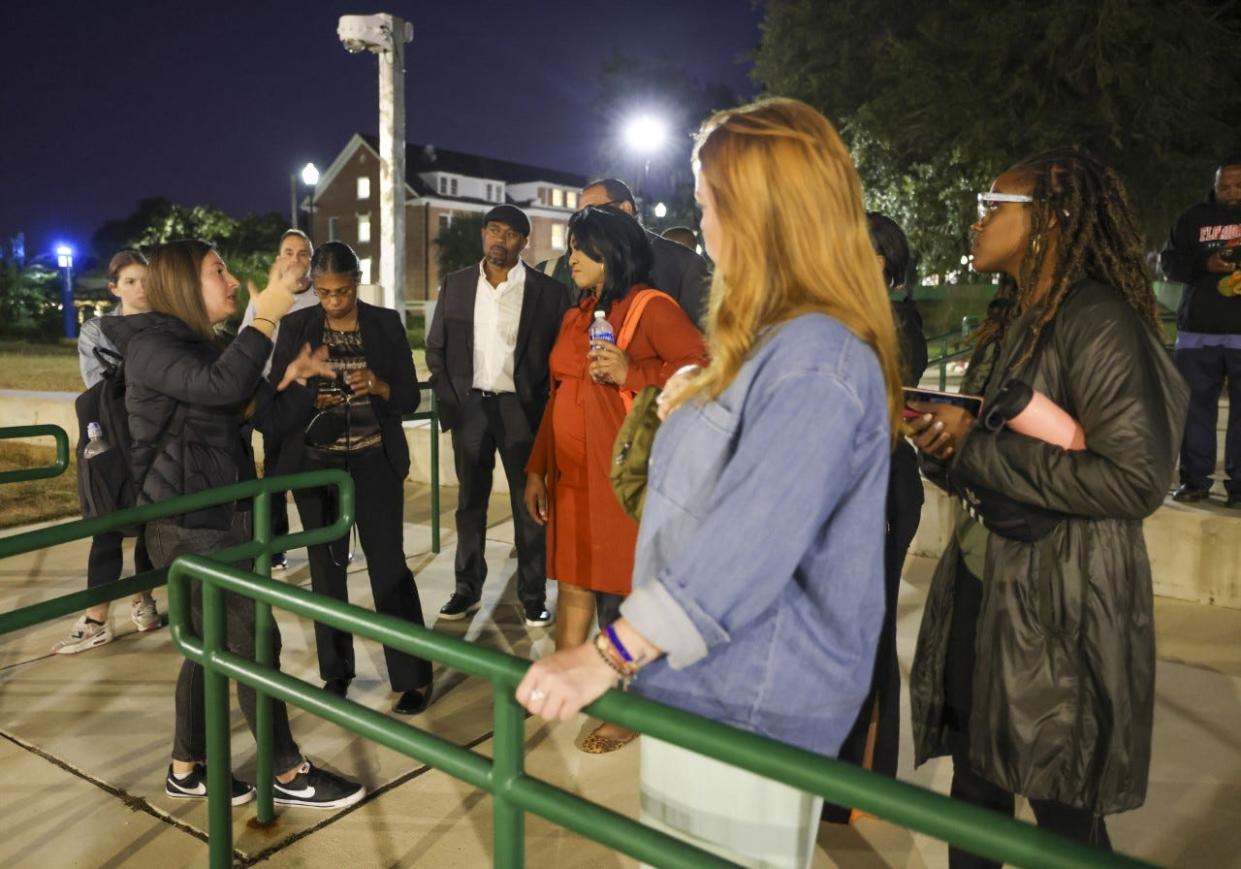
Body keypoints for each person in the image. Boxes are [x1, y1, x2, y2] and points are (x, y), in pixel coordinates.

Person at [517, 98, 901, 867]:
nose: (703, 232)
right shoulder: (769, 350)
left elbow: (749, 541)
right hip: (707, 685)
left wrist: (608, 652)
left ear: (756, 214)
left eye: (706, 207)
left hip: (750, 702)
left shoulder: (818, 359)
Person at [906, 148, 1188, 867]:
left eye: (992, 205)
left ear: (1049, 222)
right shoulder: (1015, 316)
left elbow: (1134, 478)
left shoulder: (1096, 320)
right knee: (974, 788)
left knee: (1061, 807)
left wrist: (975, 446)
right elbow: (987, 456)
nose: (977, 221)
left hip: (1059, 608)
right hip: (986, 585)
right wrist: (941, 442)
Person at [102, 239, 365, 809]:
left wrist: (289, 377)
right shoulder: (150, 345)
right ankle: (286, 771)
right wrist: (269, 310)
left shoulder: (197, 344)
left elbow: (239, 408)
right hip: (190, 519)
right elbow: (219, 388)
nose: (229, 279)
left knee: (207, 646)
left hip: (219, 511)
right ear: (180, 286)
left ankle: (185, 766)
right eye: (217, 271)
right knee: (253, 643)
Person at [523, 204, 706, 754]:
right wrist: (537, 467)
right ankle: (565, 683)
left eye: (581, 248)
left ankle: (631, 709)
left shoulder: (651, 307)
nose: (570, 257)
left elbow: (704, 367)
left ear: (611, 254)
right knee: (574, 581)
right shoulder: (577, 313)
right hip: (572, 477)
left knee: (628, 591)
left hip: (620, 479)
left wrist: (635, 372)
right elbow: (558, 393)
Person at [270, 241, 434, 715]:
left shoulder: (383, 324)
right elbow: (280, 396)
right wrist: (308, 395)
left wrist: (380, 386)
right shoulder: (298, 326)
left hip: (373, 462)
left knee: (389, 567)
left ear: (356, 282)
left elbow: (406, 396)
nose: (333, 301)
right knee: (326, 571)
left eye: (341, 291)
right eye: (323, 293)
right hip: (316, 465)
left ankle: (413, 677)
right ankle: (336, 672)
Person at [822, 213, 928, 822]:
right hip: (825, 489)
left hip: (879, 487)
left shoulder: (894, 322)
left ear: (888, 262)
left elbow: (894, 407)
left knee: (865, 630)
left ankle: (856, 783)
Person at [425, 205, 569, 628]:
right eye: (492, 230)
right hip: (470, 407)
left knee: (530, 506)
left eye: (508, 234)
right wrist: (451, 400)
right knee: (470, 505)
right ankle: (466, 589)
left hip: (522, 410)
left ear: (525, 242)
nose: (498, 240)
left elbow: (557, 359)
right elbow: (436, 349)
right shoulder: (456, 284)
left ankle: (532, 596)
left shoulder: (548, 293)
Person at [53, 250, 160, 654]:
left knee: (150, 522)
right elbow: (102, 389)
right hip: (111, 439)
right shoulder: (98, 330)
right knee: (107, 525)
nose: (140, 288)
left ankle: (143, 598)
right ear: (114, 287)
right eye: (130, 281)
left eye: (145, 279)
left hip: (153, 438)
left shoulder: (164, 324)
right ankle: (97, 617)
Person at [1160, 156, 1241, 506]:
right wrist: (1204, 264)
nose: (1231, 192)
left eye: (1238, 186)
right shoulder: (1193, 218)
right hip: (1197, 334)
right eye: (1225, 186)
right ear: (1215, 185)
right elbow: (1169, 264)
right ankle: (1194, 481)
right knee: (1194, 410)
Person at [240, 229, 320, 567]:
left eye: (303, 253)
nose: (295, 259)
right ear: (278, 258)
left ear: (311, 261)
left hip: (313, 395)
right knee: (274, 476)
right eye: (288, 252)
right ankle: (274, 546)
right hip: (274, 393)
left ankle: (325, 541)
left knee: (315, 475)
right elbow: (249, 341)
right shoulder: (264, 298)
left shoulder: (321, 297)